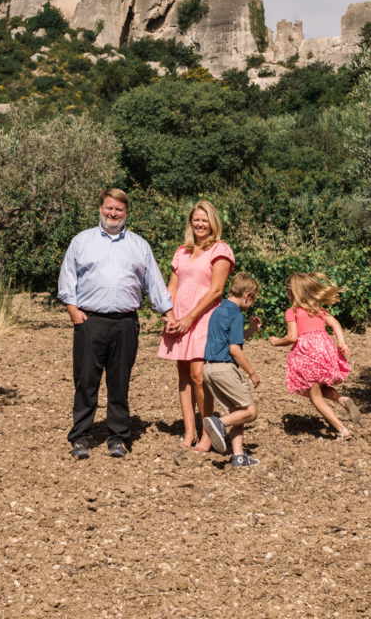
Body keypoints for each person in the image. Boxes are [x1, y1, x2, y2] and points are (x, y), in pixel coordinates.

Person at [57, 187, 173, 460]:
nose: (113, 213)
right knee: (86, 382)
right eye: (109, 208)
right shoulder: (81, 241)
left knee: (120, 383)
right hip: (90, 321)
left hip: (125, 323)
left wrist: (166, 312)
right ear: (100, 209)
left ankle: (118, 438)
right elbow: (67, 278)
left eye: (119, 209)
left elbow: (153, 282)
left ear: (126, 213)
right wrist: (72, 309)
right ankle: (81, 438)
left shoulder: (138, 245)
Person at [157, 200, 235, 452]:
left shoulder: (220, 250)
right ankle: (189, 430)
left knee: (199, 376)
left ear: (213, 223)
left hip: (204, 318)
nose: (200, 224)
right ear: (191, 222)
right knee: (183, 376)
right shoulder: (181, 251)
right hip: (179, 317)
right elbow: (172, 286)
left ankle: (206, 432)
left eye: (205, 220)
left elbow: (216, 291)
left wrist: (189, 318)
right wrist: (168, 314)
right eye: (196, 219)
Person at [267, 271, 361, 440]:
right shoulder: (318, 309)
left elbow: (292, 337)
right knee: (321, 387)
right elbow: (335, 324)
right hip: (325, 352)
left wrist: (276, 342)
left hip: (306, 355)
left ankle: (342, 430)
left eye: (288, 292)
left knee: (315, 397)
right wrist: (342, 342)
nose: (287, 296)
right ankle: (342, 400)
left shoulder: (292, 311)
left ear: (294, 293)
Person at [200, 272, 264, 468]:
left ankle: (238, 457)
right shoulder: (236, 314)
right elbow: (234, 349)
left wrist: (251, 329)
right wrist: (252, 372)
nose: (251, 304)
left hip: (209, 369)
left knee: (238, 411)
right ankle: (218, 423)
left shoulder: (218, 311)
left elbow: (232, 340)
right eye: (252, 299)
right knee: (250, 412)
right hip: (225, 369)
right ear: (247, 295)